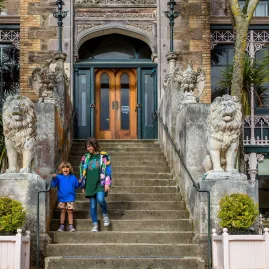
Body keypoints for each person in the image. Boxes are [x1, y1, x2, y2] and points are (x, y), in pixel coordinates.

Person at [80, 137, 112, 232]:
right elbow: (82, 171)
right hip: (89, 183)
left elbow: (108, 170)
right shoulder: (85, 157)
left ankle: (105, 215)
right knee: (93, 205)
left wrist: (107, 183)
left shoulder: (104, 156)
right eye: (87, 147)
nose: (88, 148)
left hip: (100, 183)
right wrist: (83, 184)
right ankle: (95, 225)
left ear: (94, 145)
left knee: (101, 199)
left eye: (89, 146)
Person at [51, 161, 81, 232]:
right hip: (62, 197)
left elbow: (76, 185)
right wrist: (54, 178)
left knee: (70, 211)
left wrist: (80, 182)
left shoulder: (73, 177)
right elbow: (53, 185)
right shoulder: (59, 177)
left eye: (67, 167)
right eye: (63, 167)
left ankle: (71, 226)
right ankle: (61, 226)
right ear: (61, 169)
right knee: (63, 211)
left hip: (70, 197)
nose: (65, 169)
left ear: (70, 169)